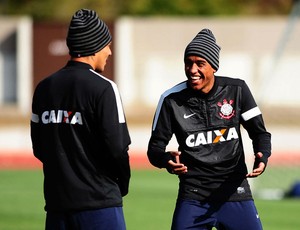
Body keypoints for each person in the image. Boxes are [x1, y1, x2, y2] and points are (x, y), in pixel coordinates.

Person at [147, 28, 271, 230]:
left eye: (200, 63)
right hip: (193, 196)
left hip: (234, 192)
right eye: (188, 63)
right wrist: (166, 161)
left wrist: (262, 155)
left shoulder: (237, 90)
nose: (192, 69)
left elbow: (260, 133)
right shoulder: (171, 100)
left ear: (213, 66)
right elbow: (154, 150)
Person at [30, 9, 131, 230]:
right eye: (107, 45)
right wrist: (122, 184)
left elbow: (39, 148)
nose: (110, 52)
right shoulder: (105, 88)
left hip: (57, 208)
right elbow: (117, 148)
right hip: (99, 205)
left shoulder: (44, 88)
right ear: (95, 47)